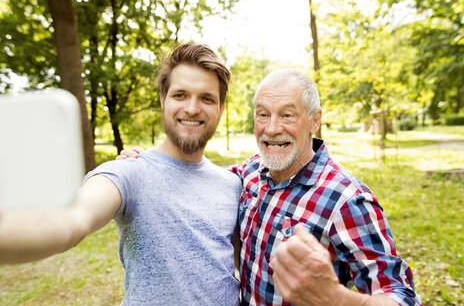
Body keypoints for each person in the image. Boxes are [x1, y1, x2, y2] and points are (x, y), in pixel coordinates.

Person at [120, 69, 422, 306]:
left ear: (314, 120)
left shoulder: (347, 201)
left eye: (287, 115)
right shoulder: (250, 172)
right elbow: (198, 177)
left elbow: (402, 296)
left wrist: (337, 300)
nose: (272, 128)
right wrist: (149, 163)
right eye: (263, 114)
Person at [0, 42, 242, 305]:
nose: (193, 108)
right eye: (180, 95)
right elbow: (74, 220)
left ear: (221, 108)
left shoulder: (232, 184)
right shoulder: (130, 171)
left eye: (207, 98)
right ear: (163, 100)